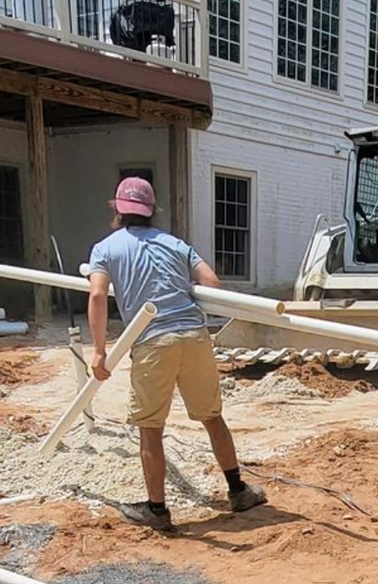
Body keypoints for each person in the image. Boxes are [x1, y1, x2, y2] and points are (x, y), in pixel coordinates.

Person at [87, 176, 266, 531]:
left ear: (117, 209)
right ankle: (238, 491)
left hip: (153, 341)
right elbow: (211, 285)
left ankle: (157, 510)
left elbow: (96, 296)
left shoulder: (106, 248)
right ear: (152, 210)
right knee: (212, 417)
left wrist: (99, 351)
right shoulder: (175, 244)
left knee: (151, 428)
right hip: (195, 336)